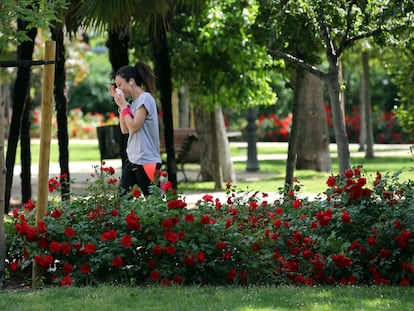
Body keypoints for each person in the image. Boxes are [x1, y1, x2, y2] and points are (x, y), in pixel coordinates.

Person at [109, 61, 162, 196]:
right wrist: (123, 106)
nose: (119, 88)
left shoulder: (145, 99)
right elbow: (124, 130)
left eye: (120, 85)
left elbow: (133, 127)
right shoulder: (133, 104)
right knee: (122, 200)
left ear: (131, 81)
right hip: (133, 160)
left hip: (147, 161)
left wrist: (124, 107)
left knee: (153, 202)